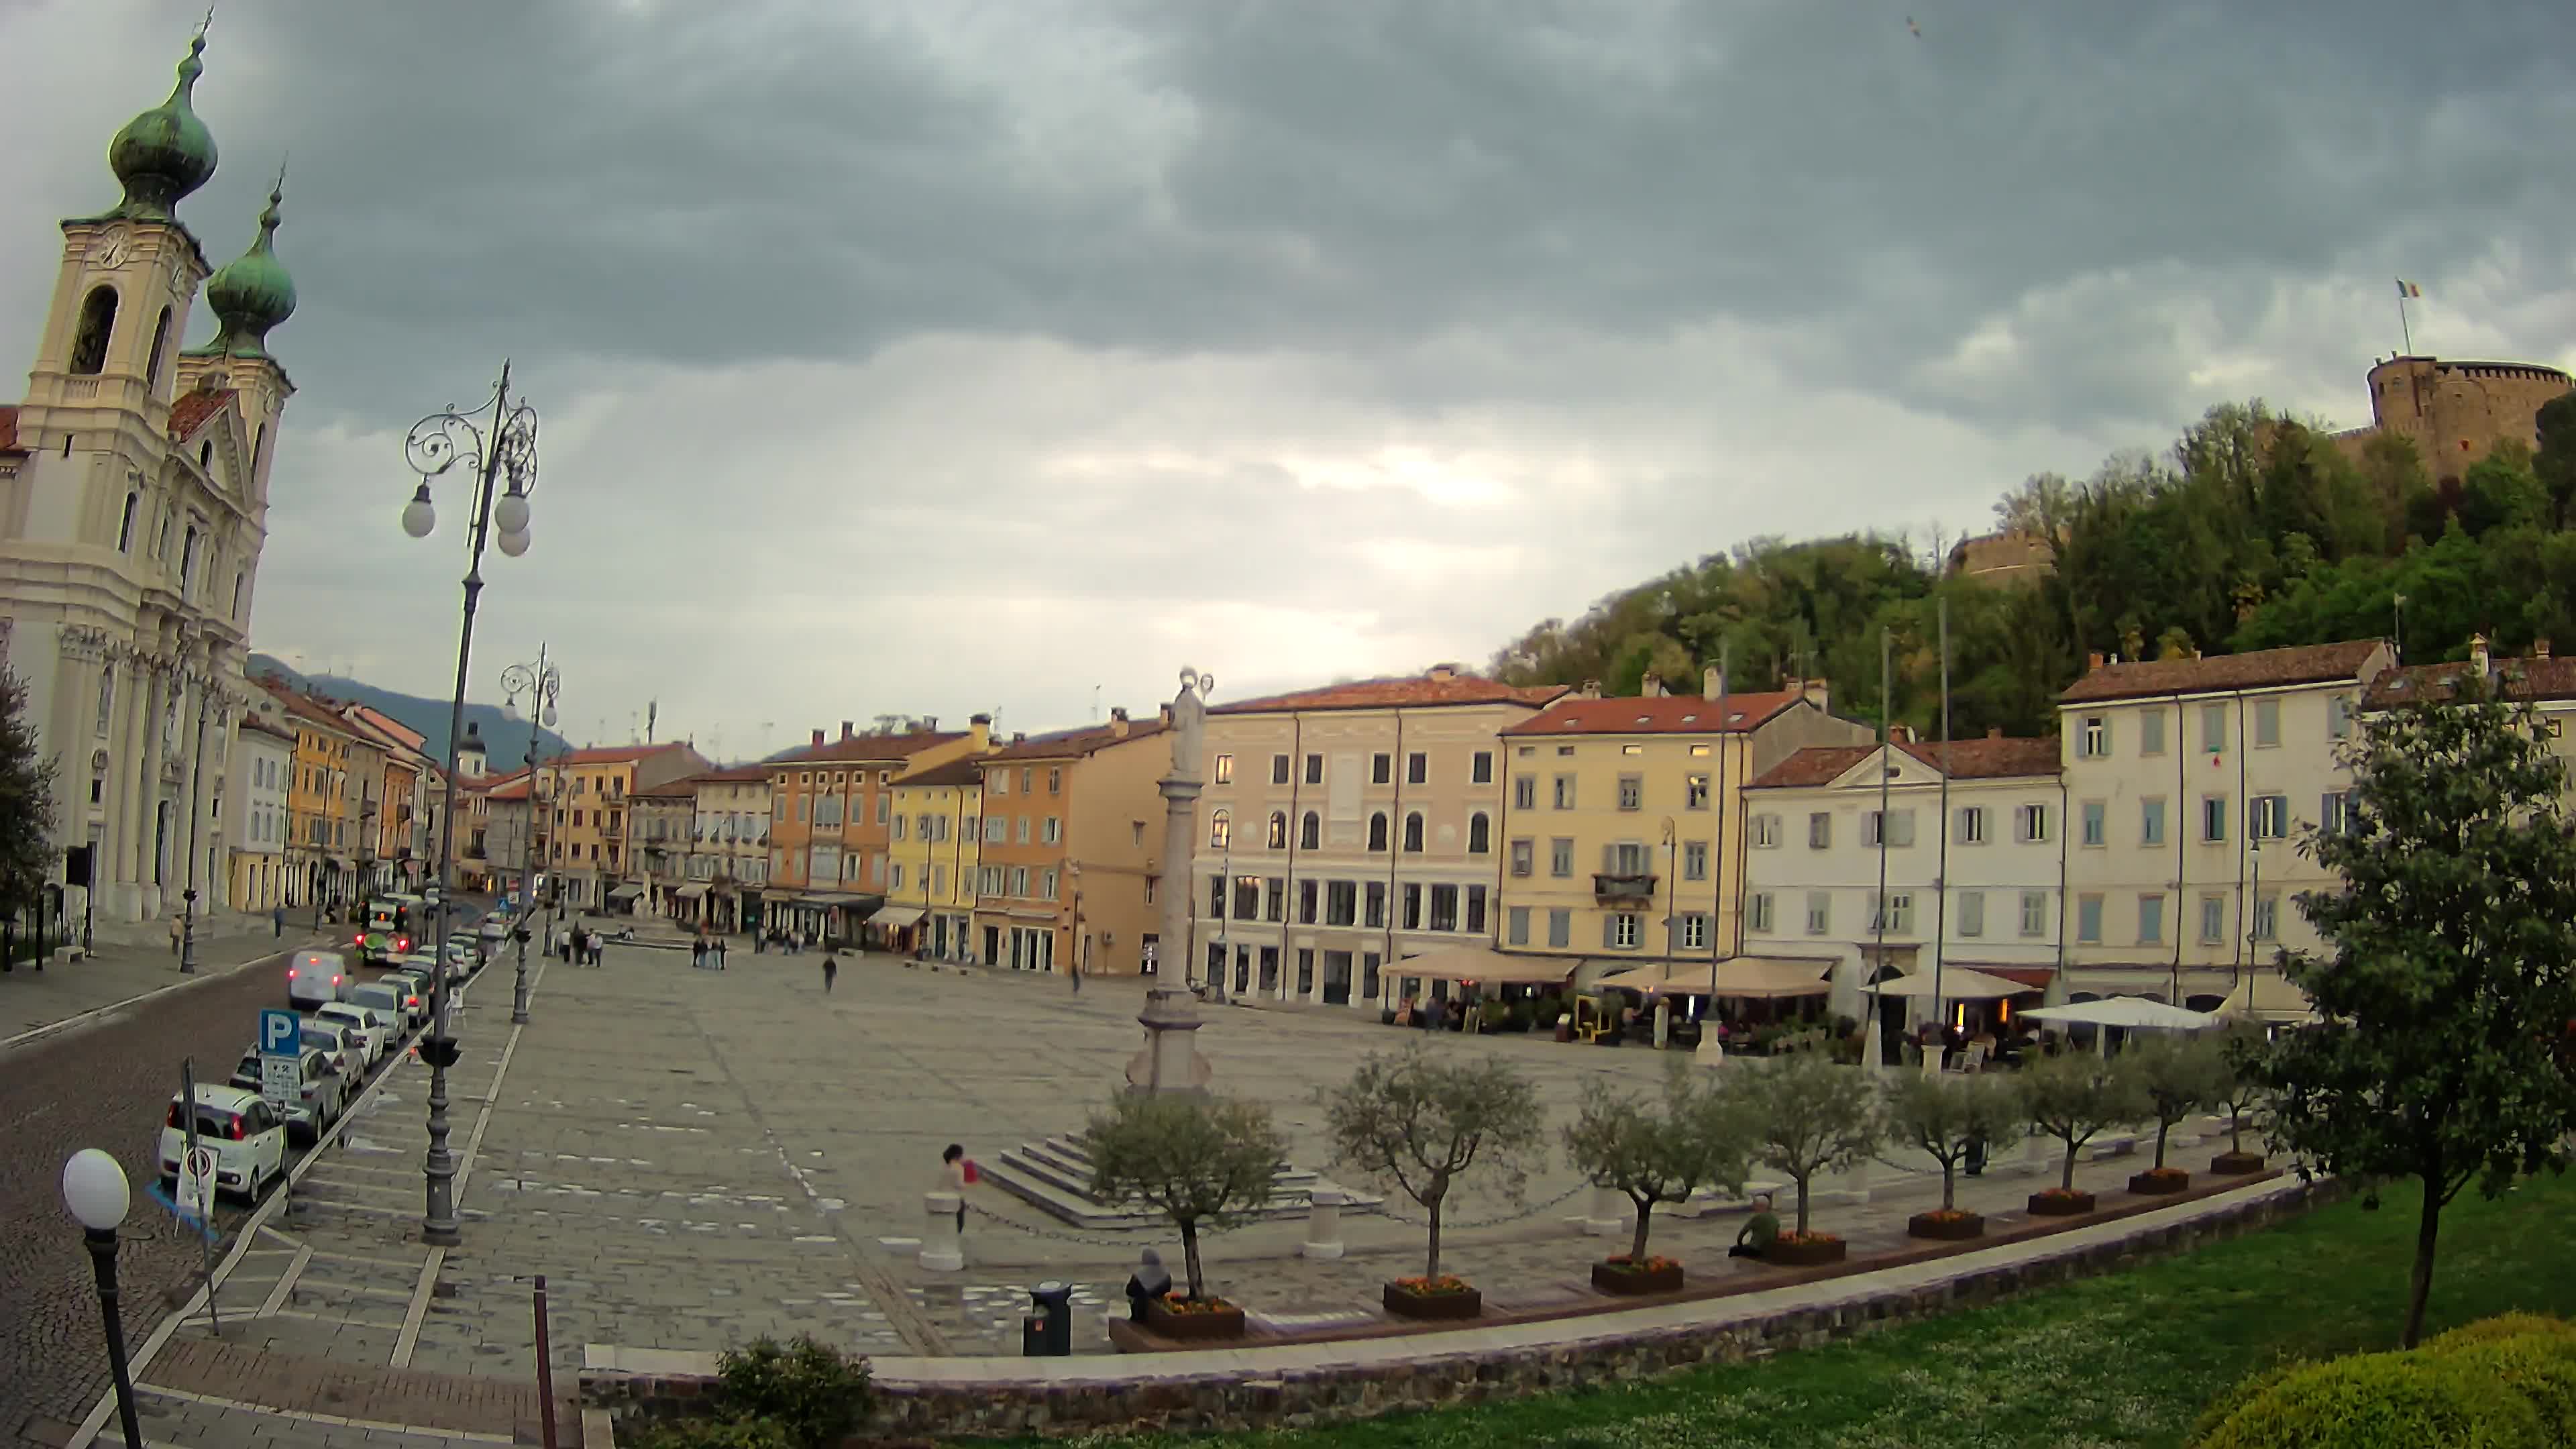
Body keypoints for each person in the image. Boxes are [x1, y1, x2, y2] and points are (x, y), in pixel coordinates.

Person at [1124, 1248, 1173, 1319]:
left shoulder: (1140, 1275)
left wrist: (1134, 1279)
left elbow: (1129, 1291)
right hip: (1159, 1303)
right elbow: (1167, 1289)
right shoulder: (1166, 1274)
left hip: (1142, 1310)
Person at [1729, 1193, 1780, 1259]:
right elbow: (1777, 1233)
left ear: (1760, 1206)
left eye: (1754, 1204)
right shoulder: (1775, 1219)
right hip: (1768, 1249)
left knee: (1733, 1250)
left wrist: (1740, 1244)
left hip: (1755, 1249)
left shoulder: (1757, 1218)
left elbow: (1743, 1233)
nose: (1753, 1206)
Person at [941, 1143, 969, 1235]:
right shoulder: (959, 1167)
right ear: (958, 1156)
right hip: (957, 1199)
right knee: (958, 1225)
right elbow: (960, 1185)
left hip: (944, 1197)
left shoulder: (946, 1166)